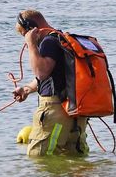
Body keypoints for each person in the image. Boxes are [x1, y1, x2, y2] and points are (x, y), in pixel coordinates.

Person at [11, 9, 89, 157]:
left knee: (40, 158)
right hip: (75, 112)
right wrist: (26, 90)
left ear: (31, 27)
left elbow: (41, 72)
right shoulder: (62, 39)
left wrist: (31, 44)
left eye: (24, 34)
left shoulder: (48, 42)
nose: (25, 39)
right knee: (74, 159)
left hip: (55, 111)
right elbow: (50, 76)